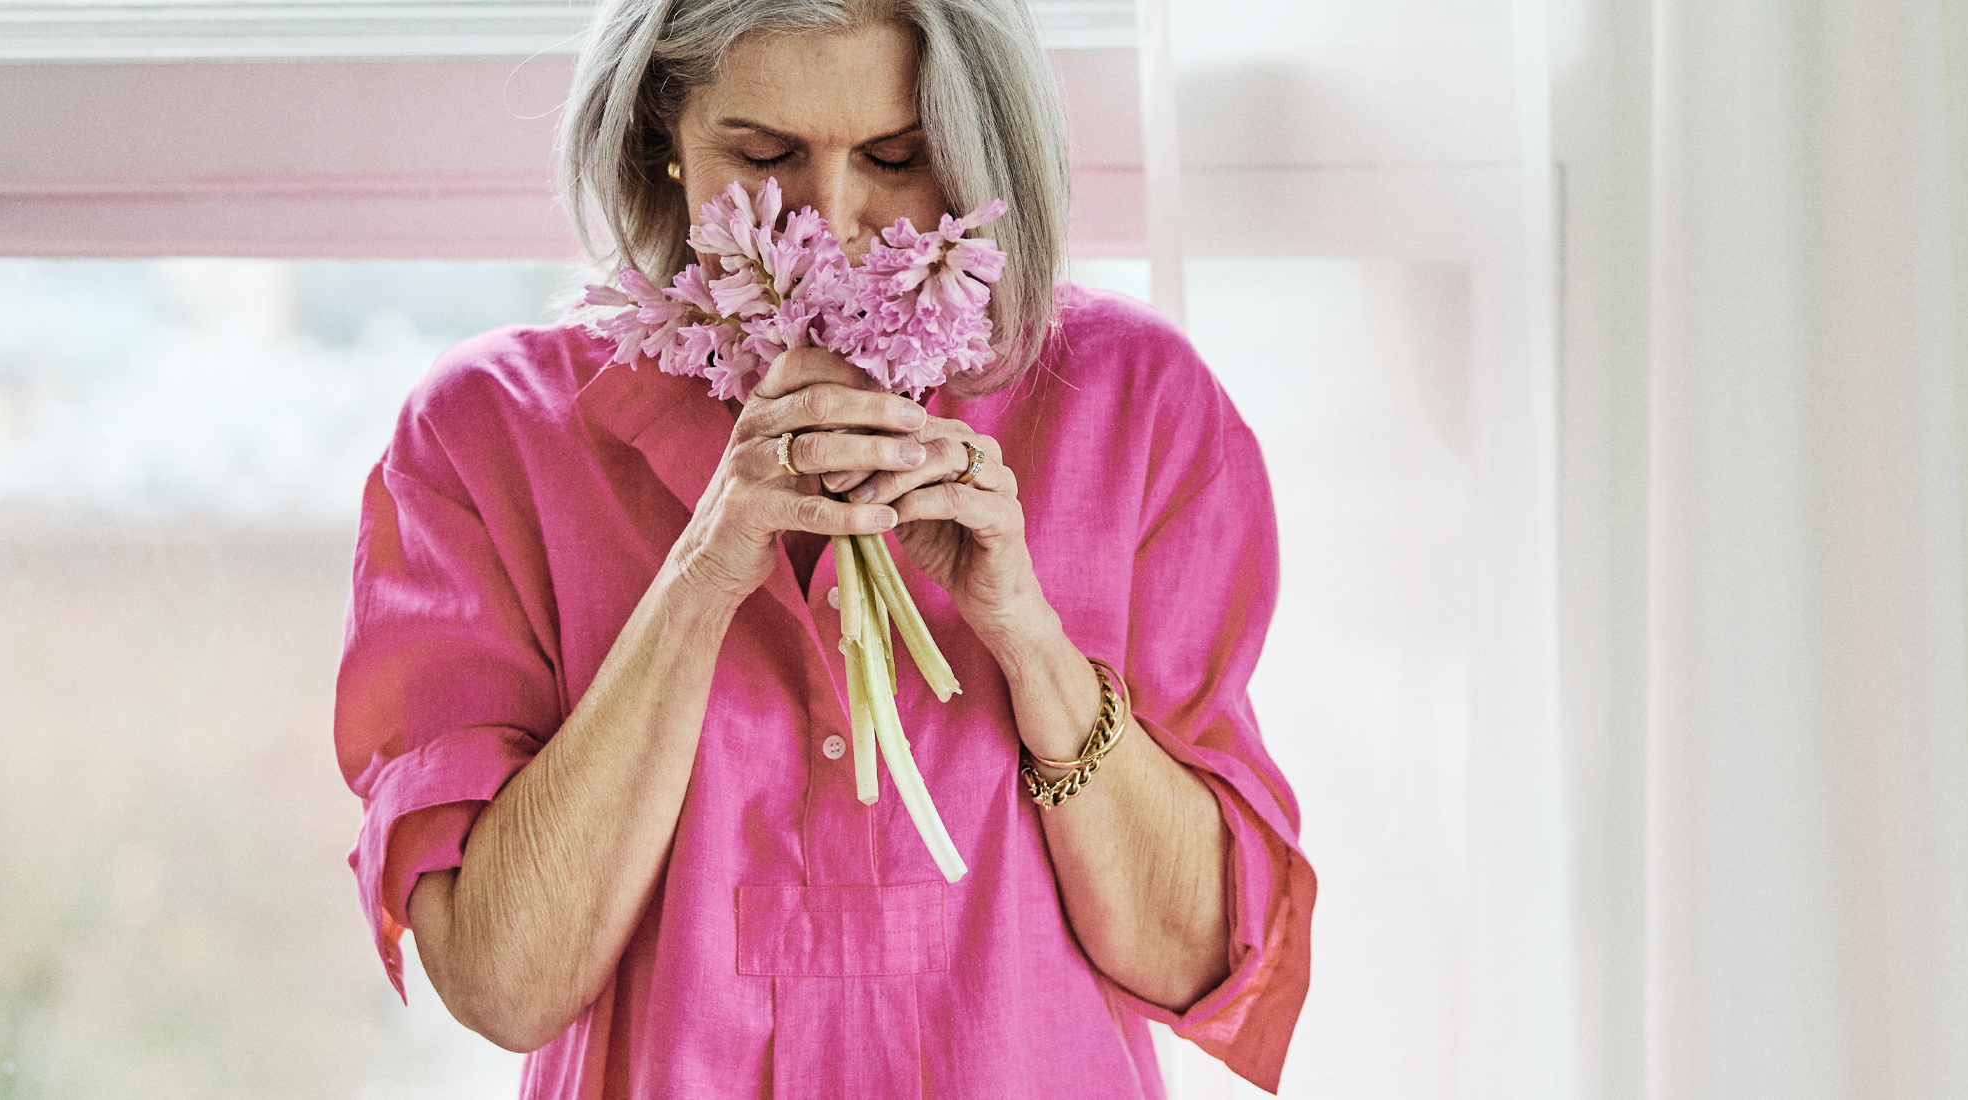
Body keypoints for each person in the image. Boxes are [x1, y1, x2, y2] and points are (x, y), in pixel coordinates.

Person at [334, 0, 1315, 1094]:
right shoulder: (489, 429)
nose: (830, 221)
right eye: (762, 157)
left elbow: (1193, 954)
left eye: (897, 158)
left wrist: (1028, 641)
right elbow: (503, 985)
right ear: (663, 135)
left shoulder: (1136, 402)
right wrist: (702, 571)